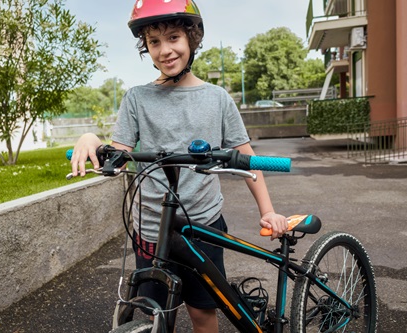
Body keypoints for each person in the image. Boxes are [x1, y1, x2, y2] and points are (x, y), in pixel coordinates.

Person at [69, 1, 288, 332]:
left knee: (202, 314)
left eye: (173, 37)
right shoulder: (136, 98)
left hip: (202, 225)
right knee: (153, 313)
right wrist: (89, 137)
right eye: (154, 42)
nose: (164, 50)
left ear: (192, 40)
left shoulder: (217, 99)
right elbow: (118, 151)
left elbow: (246, 156)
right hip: (150, 228)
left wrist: (268, 210)